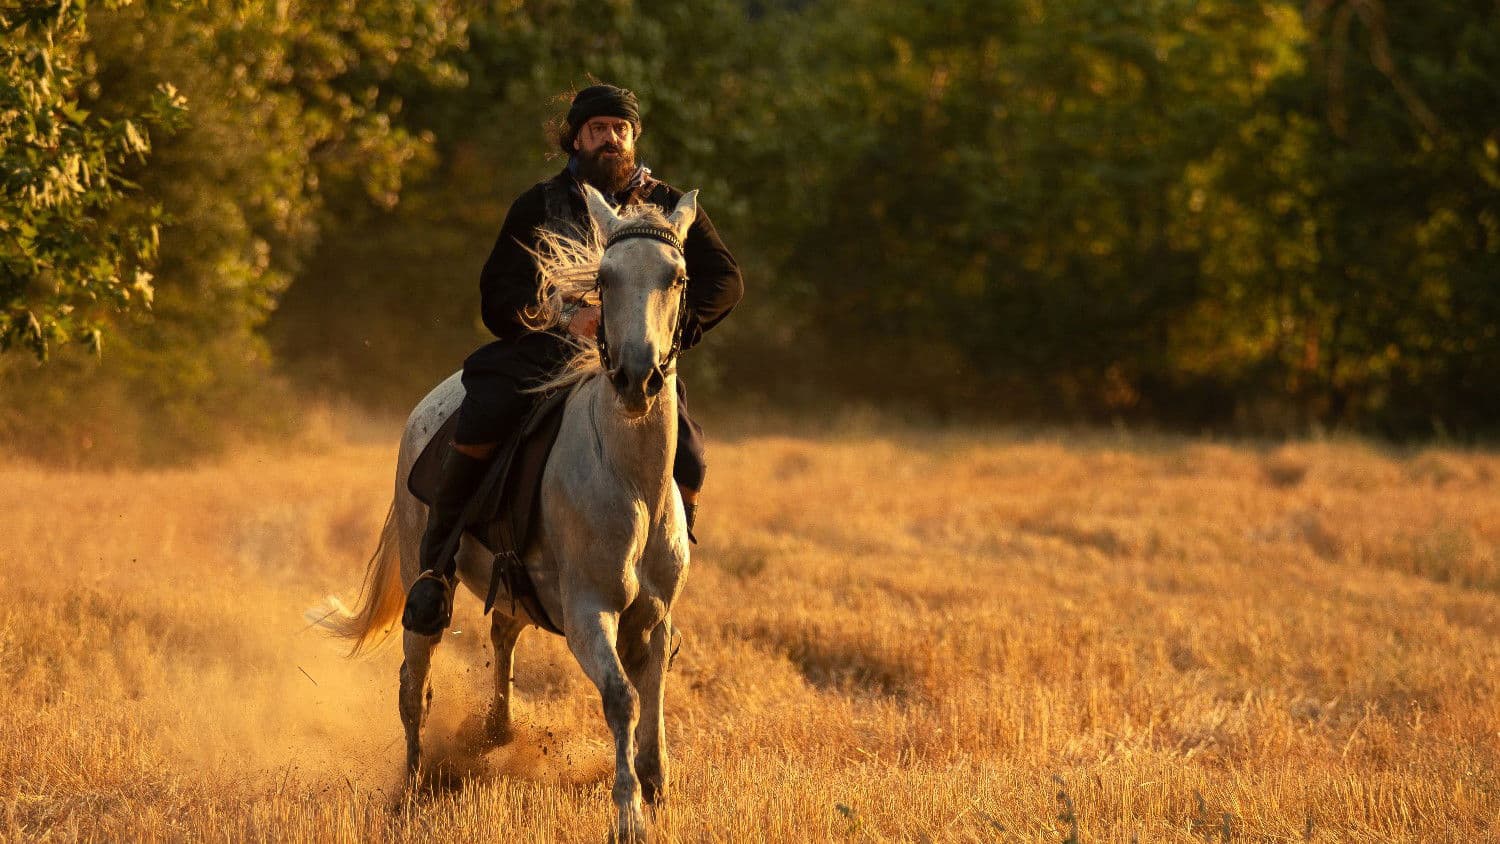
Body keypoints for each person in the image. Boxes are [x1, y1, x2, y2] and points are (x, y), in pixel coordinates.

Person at [401, 84, 744, 636]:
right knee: (485, 414)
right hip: (547, 352)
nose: (610, 139)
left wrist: (669, 332)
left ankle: (657, 595)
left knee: (693, 459)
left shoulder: (666, 206)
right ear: (576, 138)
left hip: (636, 361)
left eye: (620, 129)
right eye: (597, 129)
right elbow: (497, 293)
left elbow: (726, 280)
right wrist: (563, 316)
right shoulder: (537, 205)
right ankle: (435, 570)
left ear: (634, 137)